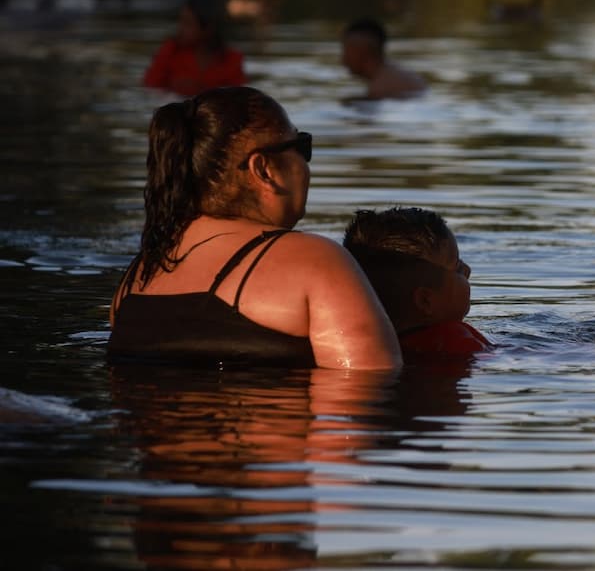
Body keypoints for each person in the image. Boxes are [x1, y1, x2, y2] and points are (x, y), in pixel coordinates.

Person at [108, 86, 401, 370]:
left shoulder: (139, 275)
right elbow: (364, 396)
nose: (306, 163)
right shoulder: (316, 262)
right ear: (263, 169)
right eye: (301, 146)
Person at [342, 207, 492, 357]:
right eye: (458, 268)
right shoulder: (452, 340)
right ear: (425, 301)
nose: (468, 270)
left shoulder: (367, 343)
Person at [143, 0, 247, 97]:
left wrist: (201, 89)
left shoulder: (232, 59)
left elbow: (238, 99)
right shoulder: (170, 51)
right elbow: (150, 88)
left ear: (208, 28)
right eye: (181, 22)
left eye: (188, 24)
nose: (181, 29)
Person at [340, 18, 426, 101]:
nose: (343, 61)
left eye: (347, 52)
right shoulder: (400, 74)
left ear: (360, 51)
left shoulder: (380, 89)